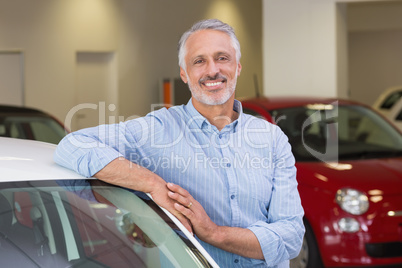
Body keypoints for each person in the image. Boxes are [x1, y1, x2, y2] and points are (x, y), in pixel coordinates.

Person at [54, 19, 305, 267]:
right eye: (199, 61)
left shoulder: (271, 139)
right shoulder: (157, 131)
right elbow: (74, 144)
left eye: (222, 58)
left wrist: (213, 232)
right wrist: (152, 185)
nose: (212, 70)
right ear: (184, 74)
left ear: (237, 67)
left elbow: (291, 238)